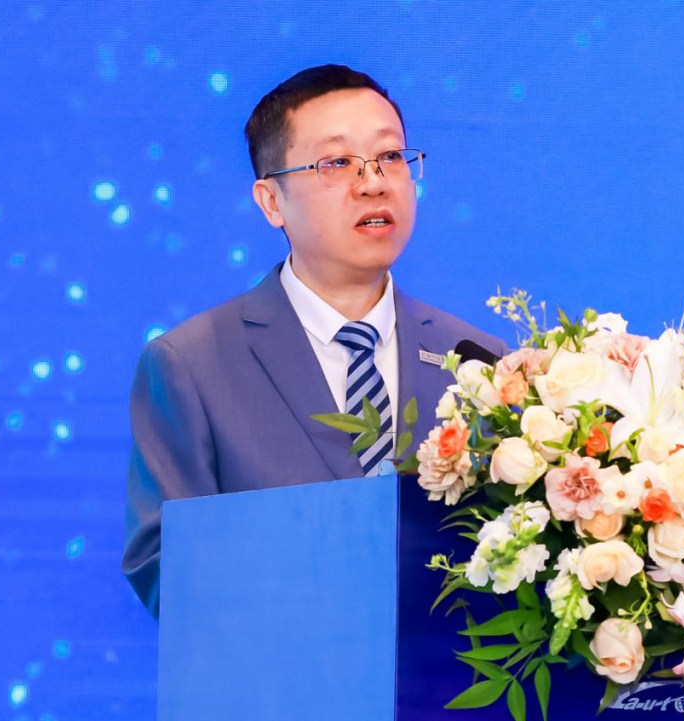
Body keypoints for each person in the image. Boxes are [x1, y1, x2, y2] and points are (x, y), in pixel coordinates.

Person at [122, 64, 505, 618]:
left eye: (390, 156)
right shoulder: (191, 366)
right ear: (271, 201)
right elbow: (168, 569)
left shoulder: (481, 363)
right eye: (337, 163)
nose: (373, 182)